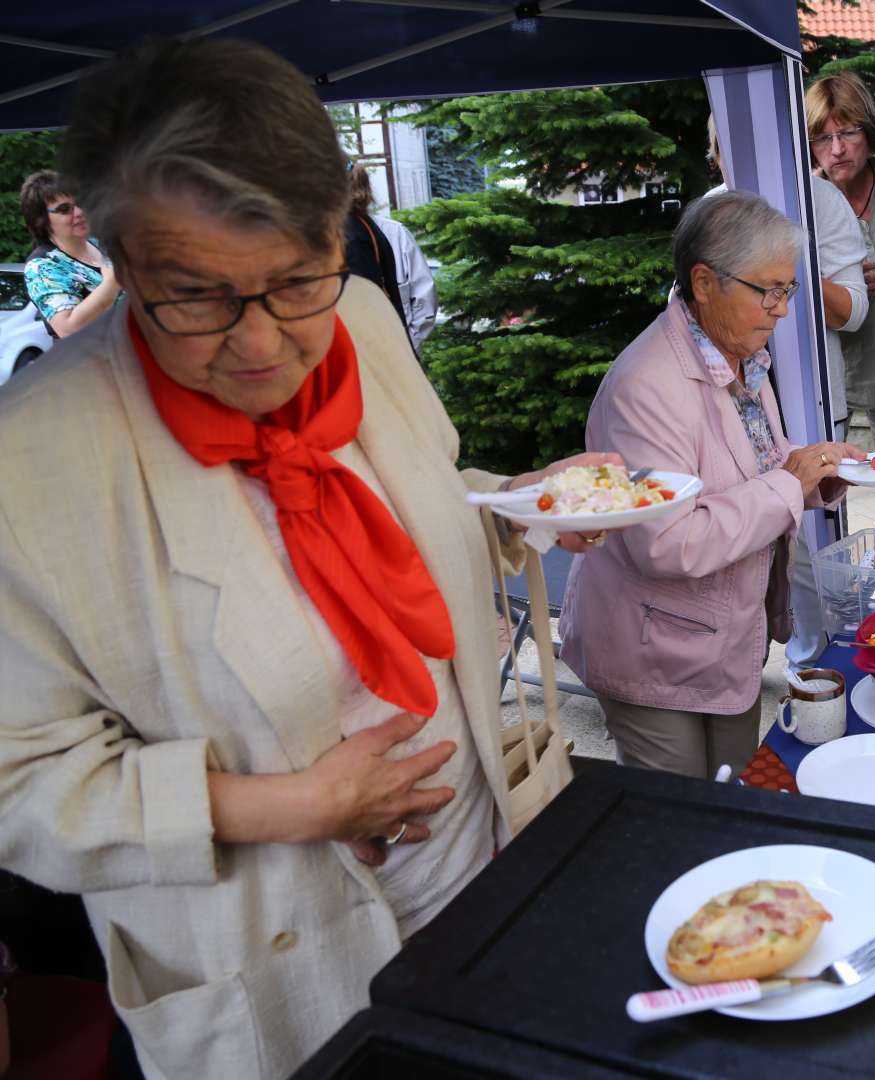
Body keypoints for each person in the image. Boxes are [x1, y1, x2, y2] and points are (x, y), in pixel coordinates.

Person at [0, 38, 614, 1080]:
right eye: (194, 293)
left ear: (340, 231)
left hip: (481, 866)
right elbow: (18, 783)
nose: (262, 345)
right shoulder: (32, 461)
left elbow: (413, 515)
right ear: (119, 259)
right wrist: (285, 806)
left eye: (295, 281)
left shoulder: (364, 323)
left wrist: (526, 508)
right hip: (279, 955)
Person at [559, 191, 866, 779]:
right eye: (768, 290)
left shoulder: (737, 351)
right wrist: (785, 485)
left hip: (722, 639)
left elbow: (749, 462)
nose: (781, 308)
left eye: (788, 290)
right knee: (681, 825)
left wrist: (814, 469)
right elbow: (667, 542)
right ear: (704, 282)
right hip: (653, 651)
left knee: (735, 791)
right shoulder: (646, 387)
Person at [702, 115, 869, 669]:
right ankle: (737, 665)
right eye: (727, 149)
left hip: (811, 401)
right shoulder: (709, 211)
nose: (739, 163)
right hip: (728, 409)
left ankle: (813, 670)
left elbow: (854, 312)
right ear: (717, 155)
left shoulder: (822, 201)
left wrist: (788, 272)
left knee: (809, 553)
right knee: (738, 532)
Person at [806, 72, 875, 449]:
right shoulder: (804, 197)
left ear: (870, 132)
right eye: (824, 138)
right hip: (831, 368)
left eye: (848, 133)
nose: (837, 149)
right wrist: (842, 281)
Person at [19, 170, 120, 340]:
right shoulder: (42, 266)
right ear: (42, 220)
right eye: (65, 209)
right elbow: (68, 329)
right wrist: (111, 283)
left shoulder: (101, 243)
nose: (79, 212)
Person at [348, 162, 438, 351]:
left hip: (387, 351)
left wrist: (406, 347)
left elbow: (424, 298)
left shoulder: (392, 233)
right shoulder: (363, 232)